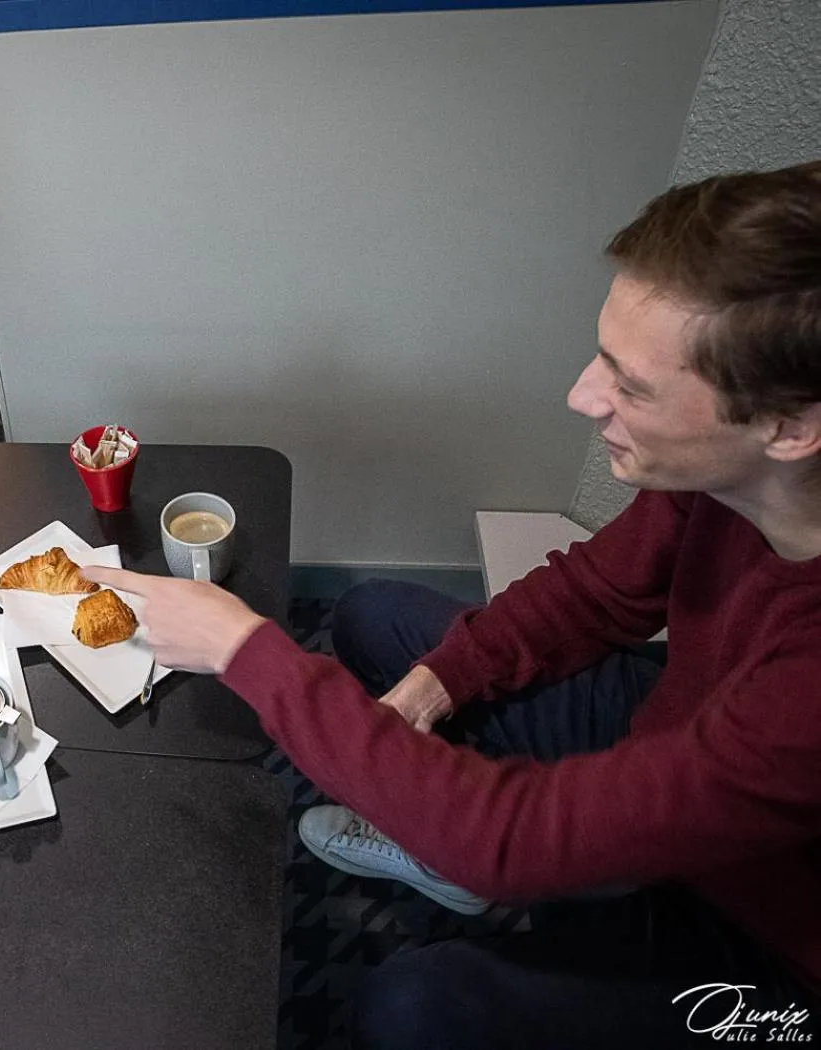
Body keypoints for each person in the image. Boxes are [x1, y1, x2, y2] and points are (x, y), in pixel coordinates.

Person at [86, 162, 821, 1048]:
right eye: (602, 358)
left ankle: (466, 840)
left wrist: (247, 650)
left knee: (414, 1006)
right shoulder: (718, 480)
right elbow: (591, 594)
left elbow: (512, 837)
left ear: (786, 426)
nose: (582, 396)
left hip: (777, 934)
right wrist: (433, 688)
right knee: (376, 620)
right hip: (679, 736)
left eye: (630, 387)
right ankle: (444, 826)